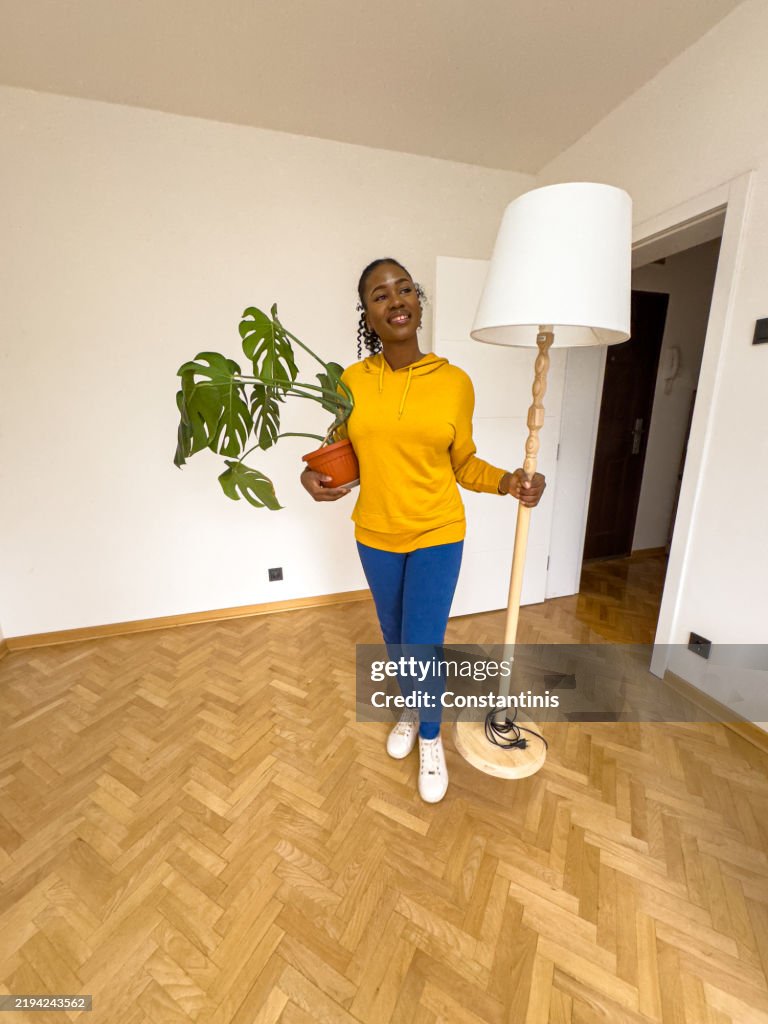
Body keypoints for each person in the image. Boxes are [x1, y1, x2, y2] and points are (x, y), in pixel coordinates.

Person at [301, 258, 545, 803]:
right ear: (368, 313)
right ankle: (414, 707)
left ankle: (431, 738)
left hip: (437, 531)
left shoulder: (455, 382)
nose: (396, 301)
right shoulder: (350, 382)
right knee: (396, 640)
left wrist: (508, 480)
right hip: (376, 534)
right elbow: (343, 455)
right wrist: (310, 477)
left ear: (418, 301)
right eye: (380, 295)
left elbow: (463, 464)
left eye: (404, 289)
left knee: (422, 643)